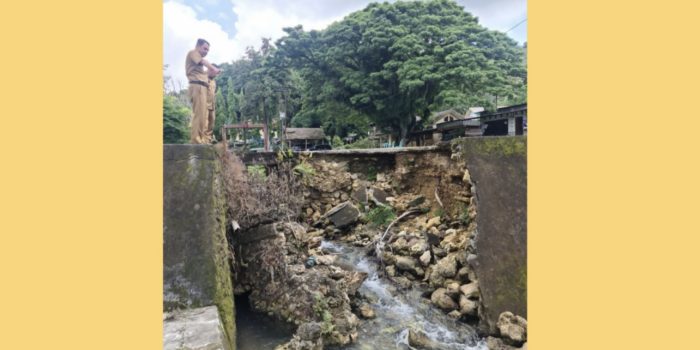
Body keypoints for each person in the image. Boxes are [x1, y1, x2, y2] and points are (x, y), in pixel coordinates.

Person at [185, 39, 220, 144]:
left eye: (208, 50)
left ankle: (202, 139)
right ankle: (196, 140)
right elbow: (203, 62)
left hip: (202, 87)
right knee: (199, 115)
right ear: (198, 46)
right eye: (205, 48)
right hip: (197, 85)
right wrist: (213, 68)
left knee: (203, 117)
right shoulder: (193, 53)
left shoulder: (211, 80)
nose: (206, 51)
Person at [206, 64, 221, 143]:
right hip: (203, 105)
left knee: (211, 124)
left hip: (212, 106)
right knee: (204, 124)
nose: (216, 75)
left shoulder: (214, 82)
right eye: (215, 72)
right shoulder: (202, 78)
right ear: (210, 70)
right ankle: (202, 141)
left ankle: (208, 140)